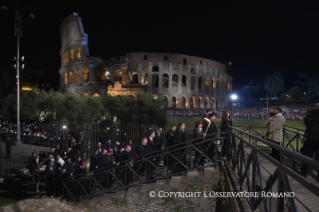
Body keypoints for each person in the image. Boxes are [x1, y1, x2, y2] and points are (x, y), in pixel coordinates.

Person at [300, 103, 319, 180]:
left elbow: (306, 124)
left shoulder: (309, 116)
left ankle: (304, 173)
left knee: (307, 157)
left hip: (310, 139)